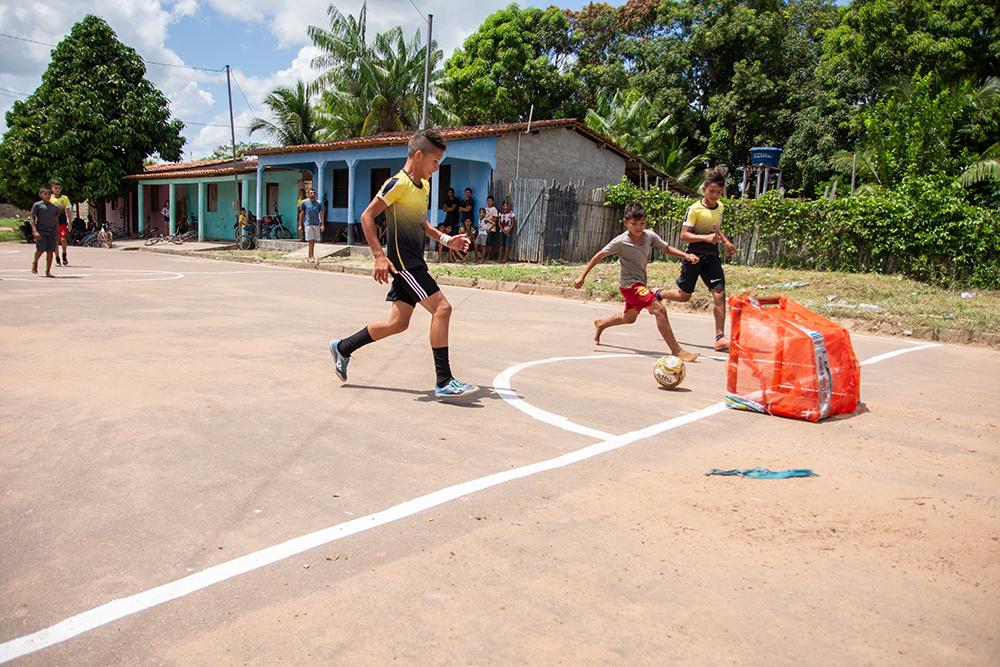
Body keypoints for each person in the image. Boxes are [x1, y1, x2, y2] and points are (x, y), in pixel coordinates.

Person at [329, 129, 477, 399]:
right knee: (442, 309)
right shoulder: (397, 184)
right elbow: (367, 216)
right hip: (405, 264)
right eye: (434, 162)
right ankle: (444, 381)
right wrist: (378, 255)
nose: (436, 168)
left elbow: (422, 224)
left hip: (414, 261)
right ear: (419, 155)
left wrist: (446, 239)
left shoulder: (425, 186)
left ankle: (343, 347)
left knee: (398, 323)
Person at [573, 203, 700, 362]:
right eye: (634, 224)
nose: (639, 227)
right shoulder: (620, 241)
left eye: (642, 223)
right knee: (659, 310)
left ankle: (601, 324)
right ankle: (677, 350)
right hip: (630, 286)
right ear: (626, 222)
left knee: (629, 318)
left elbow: (666, 248)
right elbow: (600, 255)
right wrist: (582, 276)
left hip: (640, 284)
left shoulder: (650, 236)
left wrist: (685, 256)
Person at [655, 168, 737, 352]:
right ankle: (658, 294)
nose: (715, 195)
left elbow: (715, 228)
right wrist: (704, 238)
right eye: (712, 191)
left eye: (718, 192)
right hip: (693, 257)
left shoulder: (720, 207)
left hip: (712, 257)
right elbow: (684, 236)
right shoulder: (694, 209)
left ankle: (720, 337)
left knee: (719, 293)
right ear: (704, 188)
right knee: (684, 296)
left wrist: (726, 242)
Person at [30, 187, 60, 277]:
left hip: (51, 231)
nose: (47, 196)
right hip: (41, 231)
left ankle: (48, 271)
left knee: (50, 251)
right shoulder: (37, 205)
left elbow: (56, 221)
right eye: (45, 194)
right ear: (40, 195)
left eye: (49, 194)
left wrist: (57, 233)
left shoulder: (54, 207)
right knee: (40, 250)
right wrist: (35, 231)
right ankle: (35, 262)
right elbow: (32, 218)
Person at [298, 188, 325, 264]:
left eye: (314, 193)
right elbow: (302, 213)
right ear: (308, 194)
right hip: (308, 224)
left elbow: (321, 214)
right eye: (311, 193)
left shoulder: (318, 203)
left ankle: (311, 256)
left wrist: (322, 224)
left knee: (313, 241)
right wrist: (300, 225)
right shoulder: (304, 203)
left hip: (316, 224)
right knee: (311, 241)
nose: (313, 194)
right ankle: (310, 257)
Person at [49, 180, 71, 266]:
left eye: (59, 188)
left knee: (63, 240)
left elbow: (68, 210)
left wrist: (70, 222)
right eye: (55, 188)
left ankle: (64, 255)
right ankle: (57, 259)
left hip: (62, 223)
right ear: (52, 189)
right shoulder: (50, 198)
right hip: (53, 224)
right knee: (55, 242)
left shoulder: (64, 198)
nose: (57, 190)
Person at [438, 187, 459, 262]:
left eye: (451, 192)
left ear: (454, 193)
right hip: (447, 218)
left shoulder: (456, 200)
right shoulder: (447, 199)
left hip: (453, 219)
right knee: (441, 242)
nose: (450, 194)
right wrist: (448, 208)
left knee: (451, 238)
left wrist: (447, 208)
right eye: (449, 192)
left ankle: (451, 258)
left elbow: (452, 209)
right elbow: (444, 208)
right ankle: (440, 259)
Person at [483, 195, 500, 261]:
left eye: (490, 201)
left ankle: (488, 256)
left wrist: (488, 221)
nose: (489, 202)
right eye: (488, 201)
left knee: (490, 243)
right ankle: (484, 255)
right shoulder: (485, 209)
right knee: (485, 243)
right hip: (485, 228)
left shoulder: (494, 209)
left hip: (491, 229)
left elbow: (495, 219)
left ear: (493, 202)